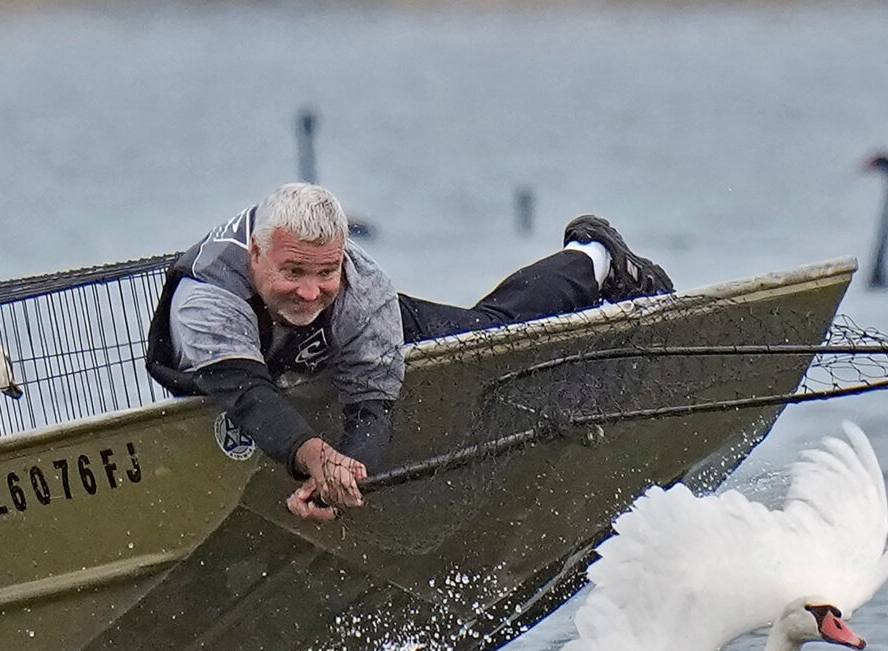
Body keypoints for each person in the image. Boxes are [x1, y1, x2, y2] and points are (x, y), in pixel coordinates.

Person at [145, 182, 671, 523]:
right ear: (257, 256)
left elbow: (372, 407)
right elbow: (249, 396)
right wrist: (316, 458)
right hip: (257, 362)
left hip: (337, 342)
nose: (310, 292)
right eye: (293, 273)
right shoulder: (206, 302)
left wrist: (346, 471)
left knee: (488, 333)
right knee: (262, 385)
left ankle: (596, 258)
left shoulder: (363, 288)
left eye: (325, 273)